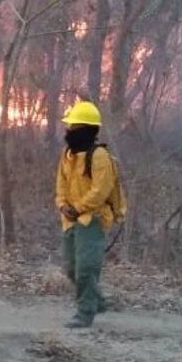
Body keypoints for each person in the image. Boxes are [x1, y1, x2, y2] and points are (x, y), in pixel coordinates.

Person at [55, 99, 124, 329]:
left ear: (84, 130)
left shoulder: (100, 157)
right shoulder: (68, 155)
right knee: (71, 269)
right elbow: (61, 185)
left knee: (86, 268)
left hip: (92, 220)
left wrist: (79, 208)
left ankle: (85, 313)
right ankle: (98, 301)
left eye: (73, 127)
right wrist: (63, 205)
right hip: (71, 220)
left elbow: (100, 190)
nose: (68, 131)